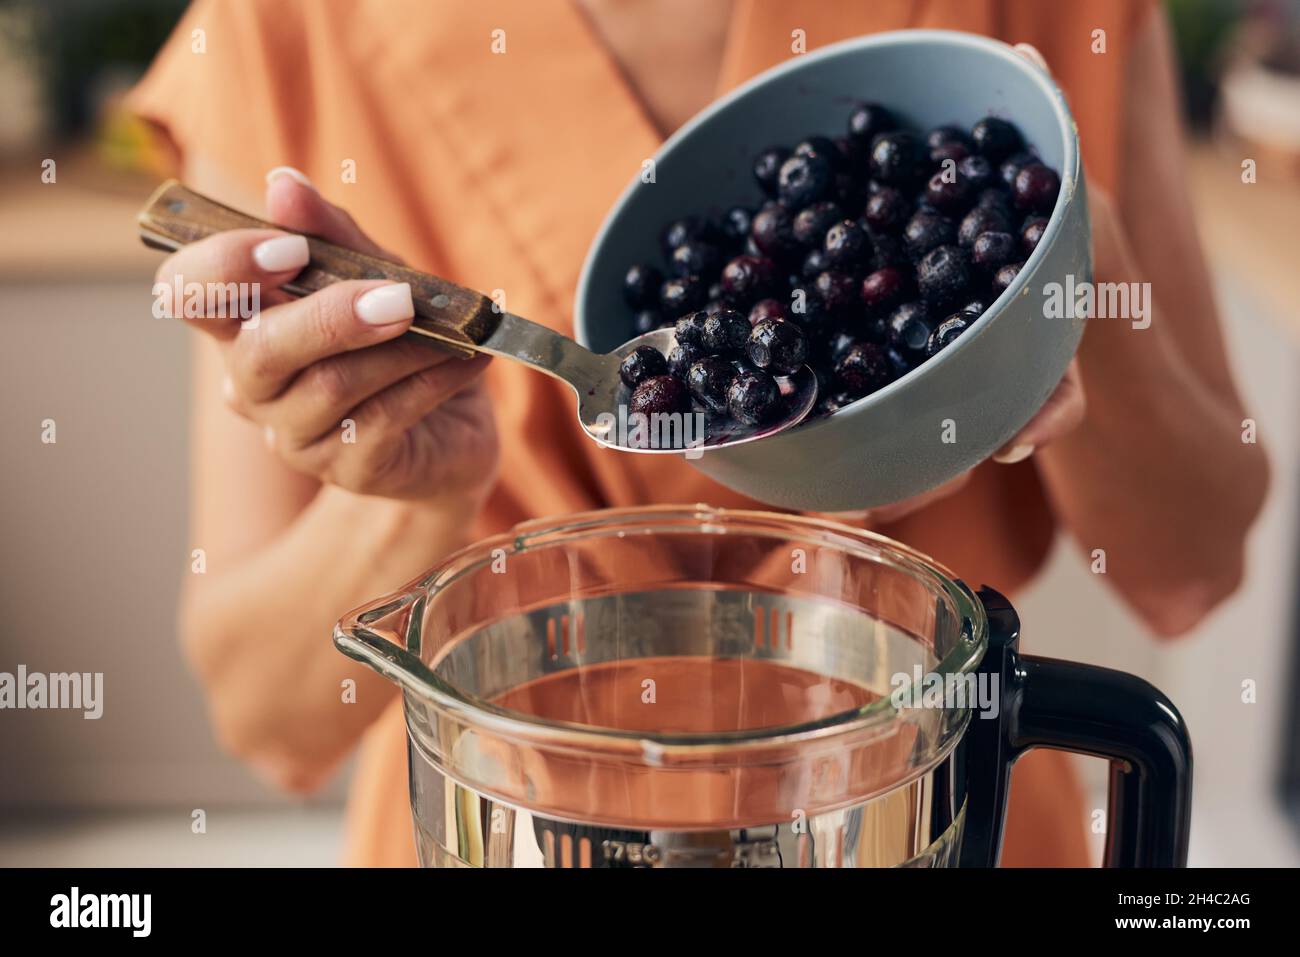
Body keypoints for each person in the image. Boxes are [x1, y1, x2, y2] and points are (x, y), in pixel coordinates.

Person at [129, 0, 1268, 866]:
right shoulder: (279, 27)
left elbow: (1197, 561)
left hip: (927, 810)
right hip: (511, 826)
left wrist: (1063, 272)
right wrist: (423, 499)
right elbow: (269, 718)